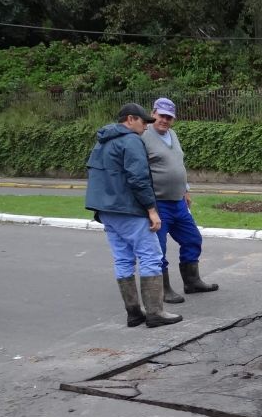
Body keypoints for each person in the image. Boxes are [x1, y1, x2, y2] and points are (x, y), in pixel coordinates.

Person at [85, 103, 182, 328]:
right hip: (129, 209)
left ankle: (133, 313)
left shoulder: (102, 142)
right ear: (130, 119)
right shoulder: (131, 141)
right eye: (143, 122)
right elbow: (138, 178)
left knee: (123, 259)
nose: (146, 127)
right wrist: (151, 209)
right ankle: (155, 312)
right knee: (151, 256)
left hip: (106, 211)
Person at [141, 97, 218, 304]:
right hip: (158, 203)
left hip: (178, 201)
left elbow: (178, 164)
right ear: (153, 113)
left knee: (192, 239)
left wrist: (186, 189)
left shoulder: (172, 135)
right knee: (159, 248)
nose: (165, 120)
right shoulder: (143, 136)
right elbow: (138, 171)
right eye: (161, 116)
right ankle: (163, 290)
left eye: (169, 117)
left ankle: (192, 282)